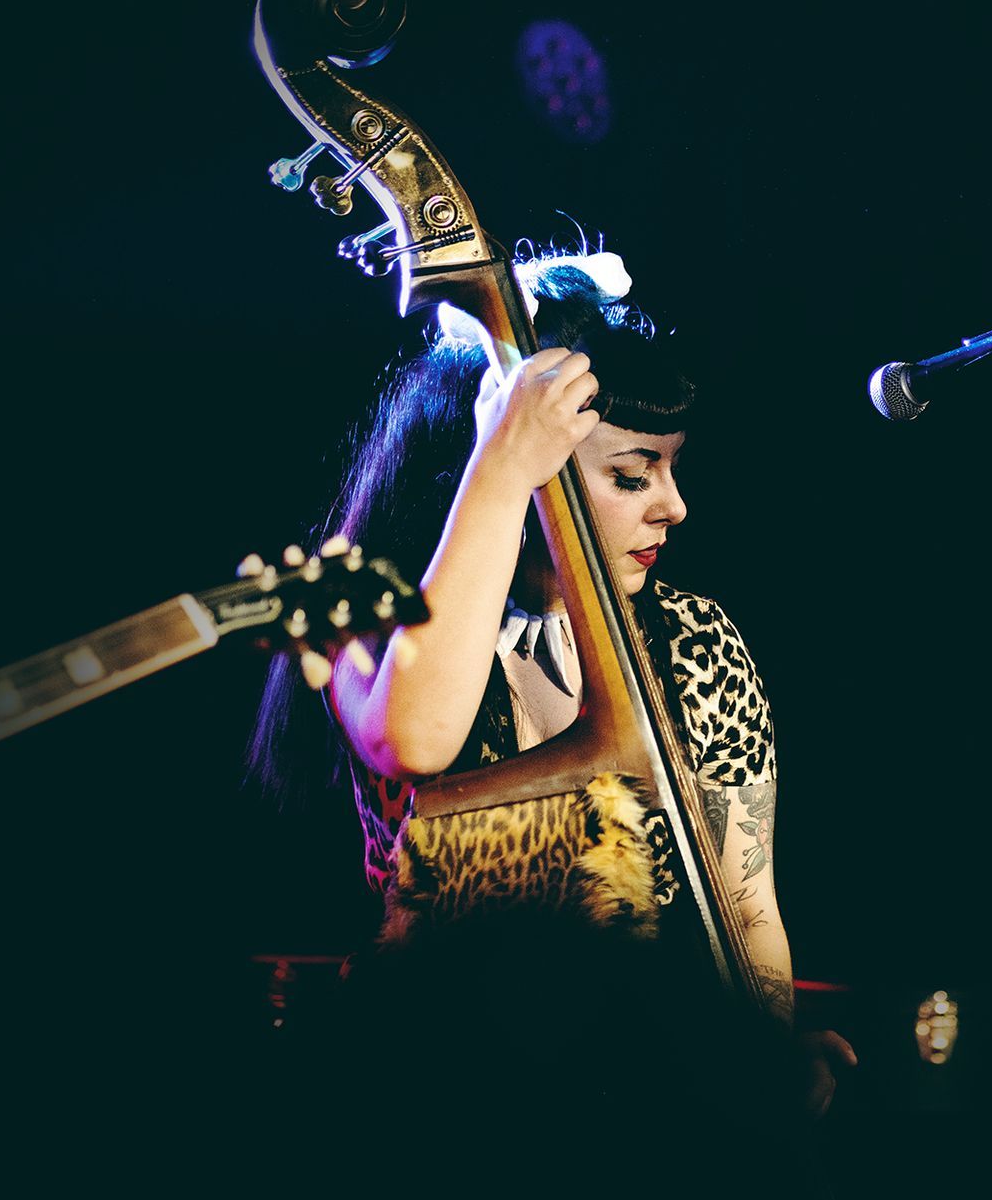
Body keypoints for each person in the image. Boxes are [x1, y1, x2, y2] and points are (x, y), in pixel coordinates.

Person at [249, 249, 853, 1142]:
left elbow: (748, 898)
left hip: (652, 1107)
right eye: (631, 473)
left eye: (671, 468)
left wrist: (757, 1068)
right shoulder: (371, 620)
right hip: (444, 1101)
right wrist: (500, 466)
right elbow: (418, 739)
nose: (673, 506)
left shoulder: (694, 639)